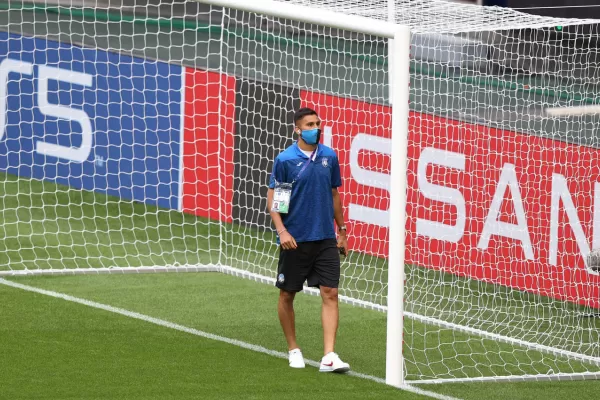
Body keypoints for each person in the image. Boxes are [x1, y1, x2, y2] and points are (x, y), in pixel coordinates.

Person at [267, 107, 350, 373]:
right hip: (296, 239)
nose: (317, 128)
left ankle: (329, 355)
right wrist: (282, 231)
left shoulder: (329, 156)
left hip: (325, 237)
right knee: (287, 294)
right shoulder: (285, 160)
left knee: (331, 292)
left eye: (318, 123)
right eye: (310, 124)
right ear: (298, 129)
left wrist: (342, 230)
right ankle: (293, 349)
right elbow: (276, 202)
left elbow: (334, 194)